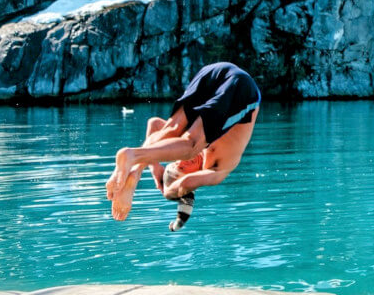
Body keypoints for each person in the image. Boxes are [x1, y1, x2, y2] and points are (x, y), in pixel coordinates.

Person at [105, 62, 260, 225]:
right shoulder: (217, 170)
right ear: (192, 174)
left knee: (173, 131)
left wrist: (154, 168)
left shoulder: (200, 140)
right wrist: (169, 194)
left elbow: (154, 124)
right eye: (183, 169)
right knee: (190, 145)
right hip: (244, 90)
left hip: (214, 72)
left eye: (177, 164)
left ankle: (133, 167)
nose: (183, 163)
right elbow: (186, 184)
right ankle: (132, 160)